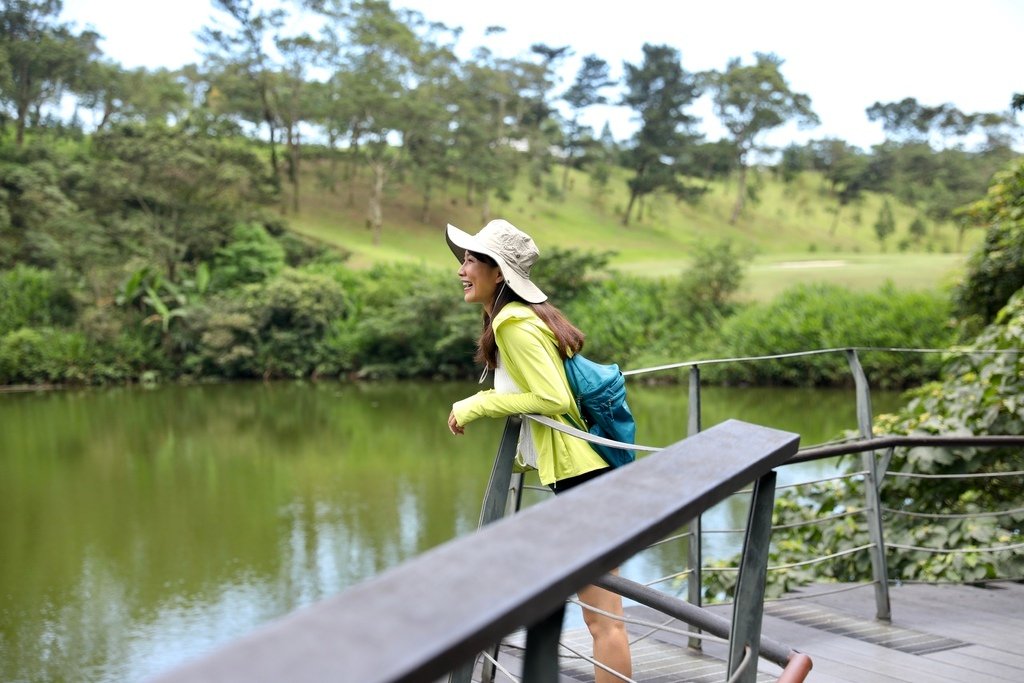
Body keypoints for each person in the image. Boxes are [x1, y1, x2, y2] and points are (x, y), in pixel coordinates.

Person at [445, 218, 632, 683]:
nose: (461, 270)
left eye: (471, 260)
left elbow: (552, 398)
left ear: (499, 273)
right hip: (588, 470)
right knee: (605, 617)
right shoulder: (524, 316)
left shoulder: (513, 323)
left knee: (602, 620)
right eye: (464, 259)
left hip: (581, 475)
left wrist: (478, 404)